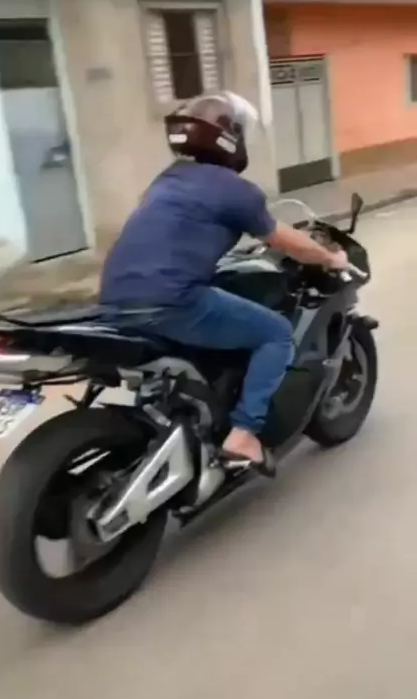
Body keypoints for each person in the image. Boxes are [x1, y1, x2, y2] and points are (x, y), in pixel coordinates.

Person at [99, 91, 348, 471]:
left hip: (114, 298)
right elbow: (287, 241)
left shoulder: (167, 180)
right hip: (170, 301)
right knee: (276, 334)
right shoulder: (233, 189)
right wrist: (330, 257)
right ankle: (244, 433)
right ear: (231, 136)